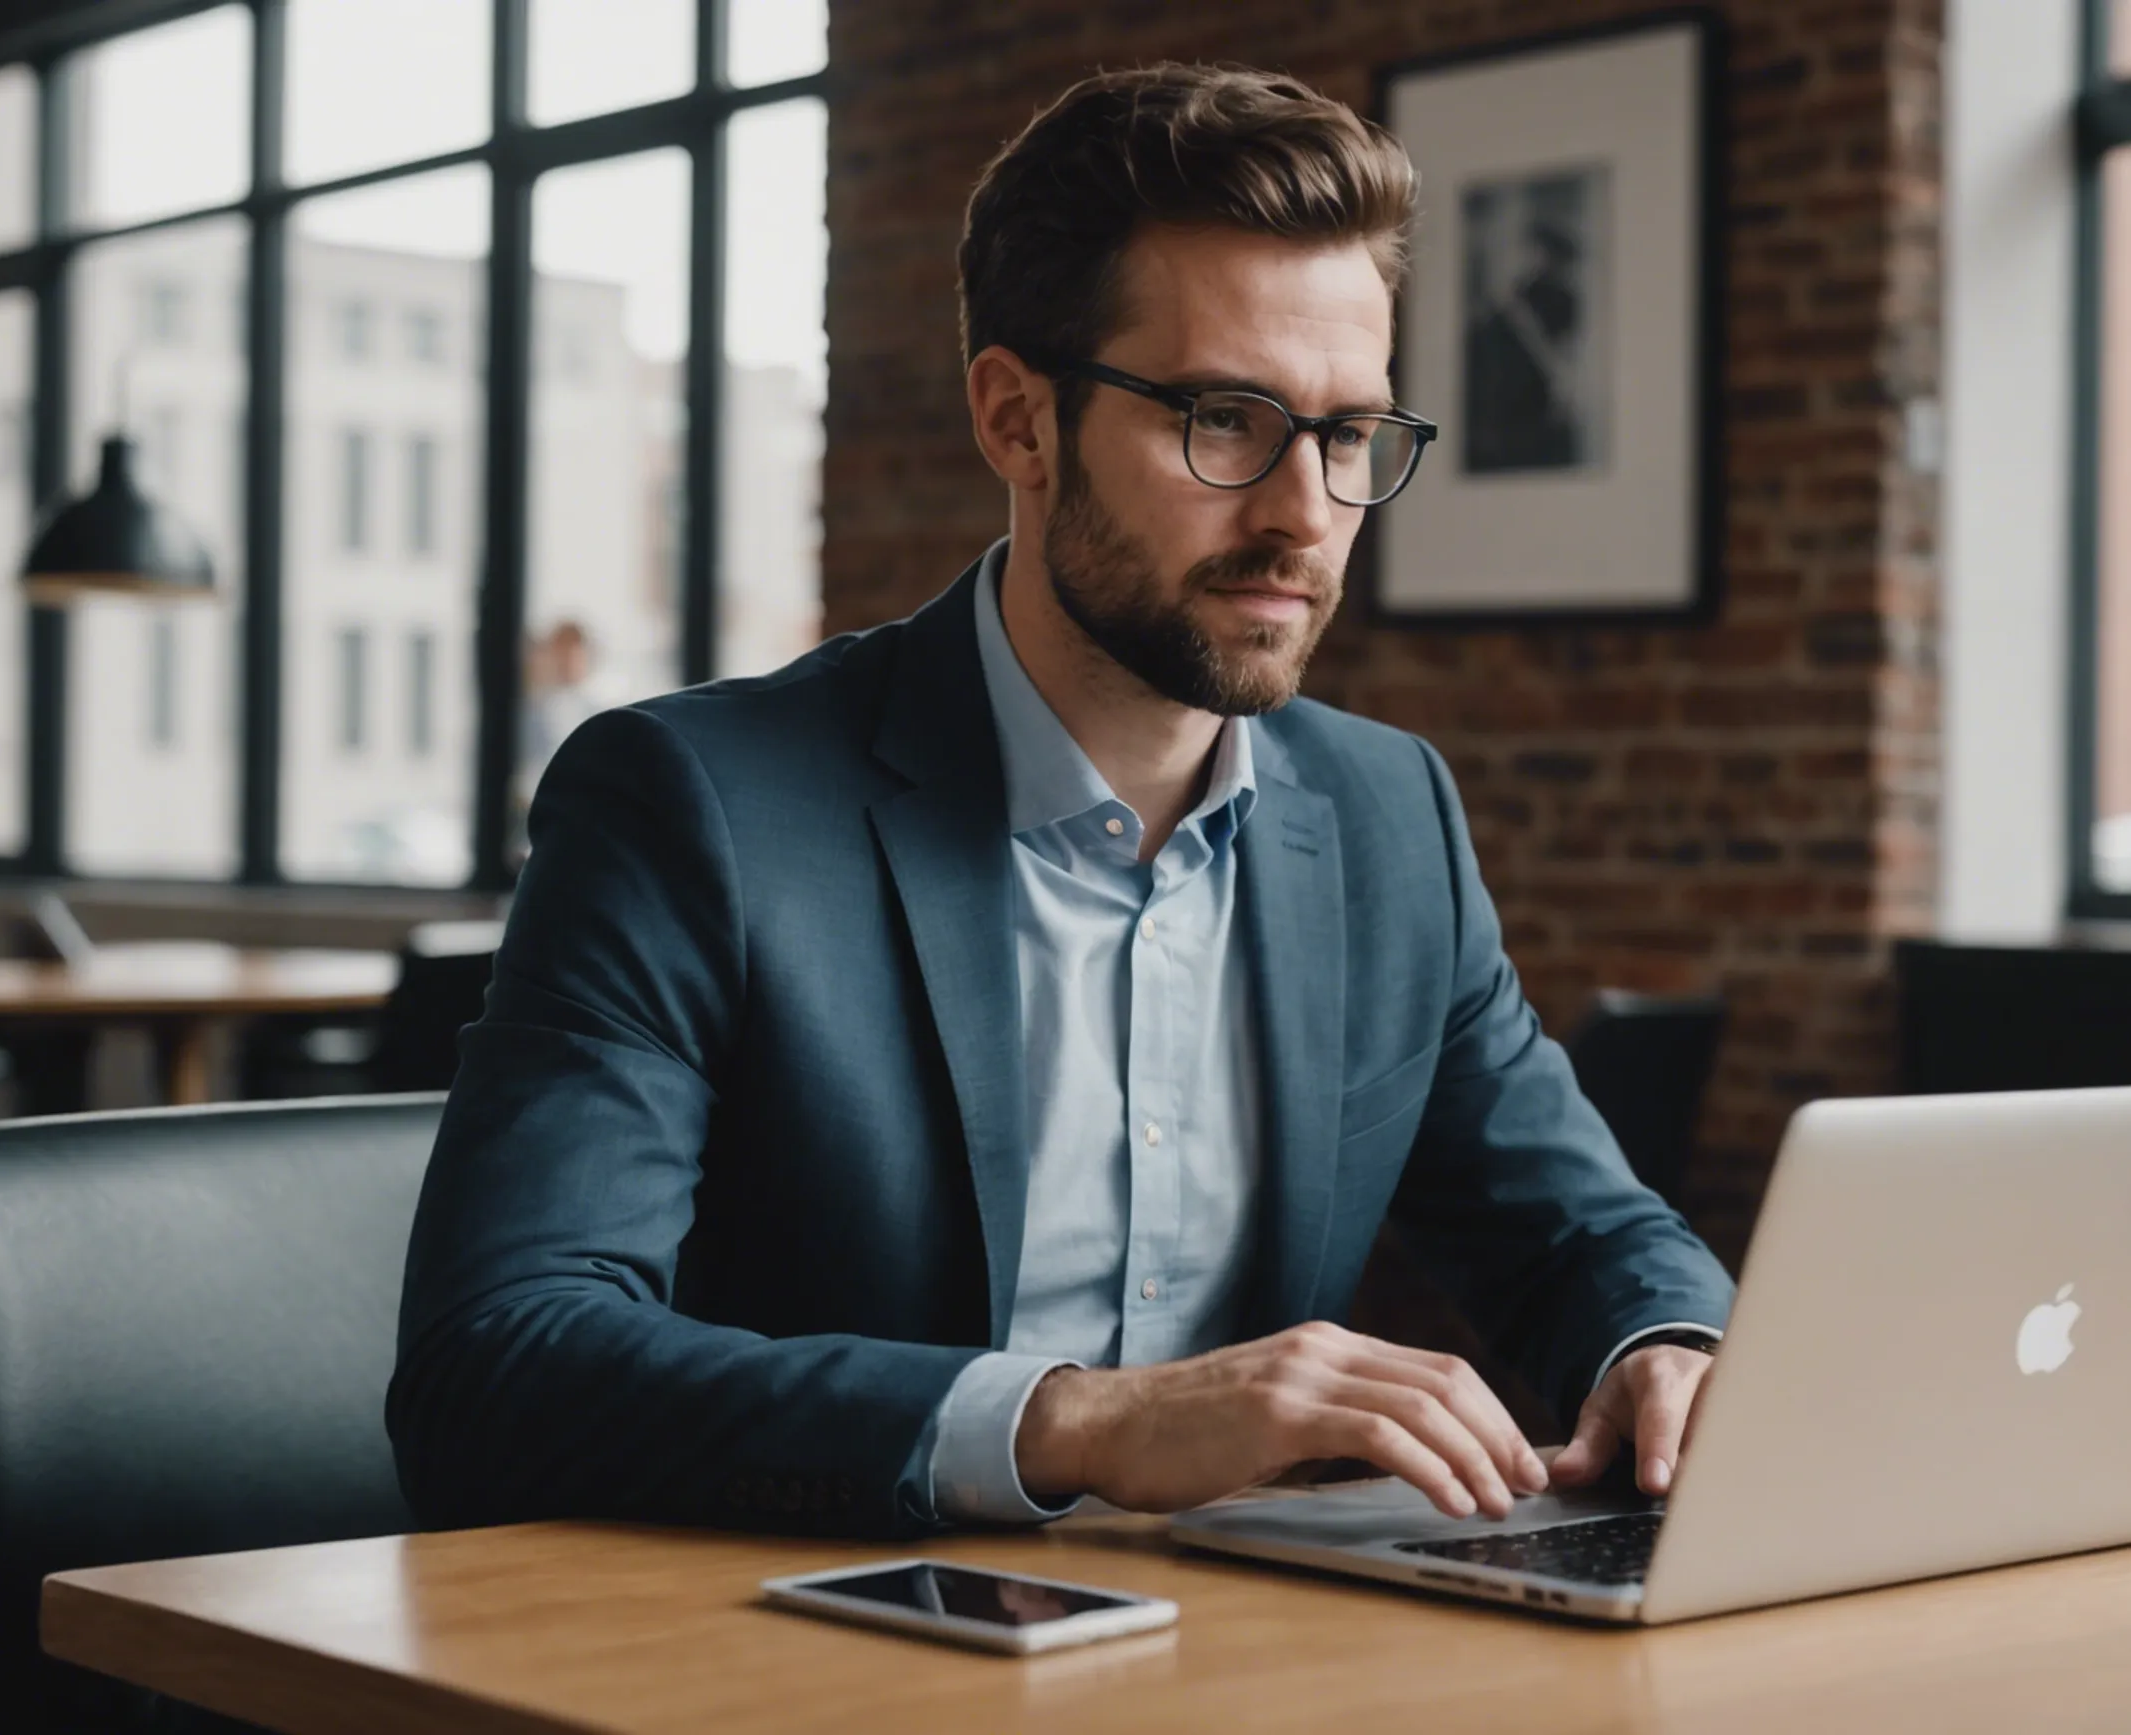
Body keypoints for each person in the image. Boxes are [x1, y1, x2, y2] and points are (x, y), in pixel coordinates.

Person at [388, 62, 1733, 1539]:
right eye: (1227, 420)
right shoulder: (691, 806)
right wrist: (1078, 1419)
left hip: (1237, 1649)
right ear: (1017, 422)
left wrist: (1663, 1346)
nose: (1303, 513)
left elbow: (1581, 1230)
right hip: (803, 1636)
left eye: (1350, 436)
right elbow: (495, 1362)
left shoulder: (1385, 814)